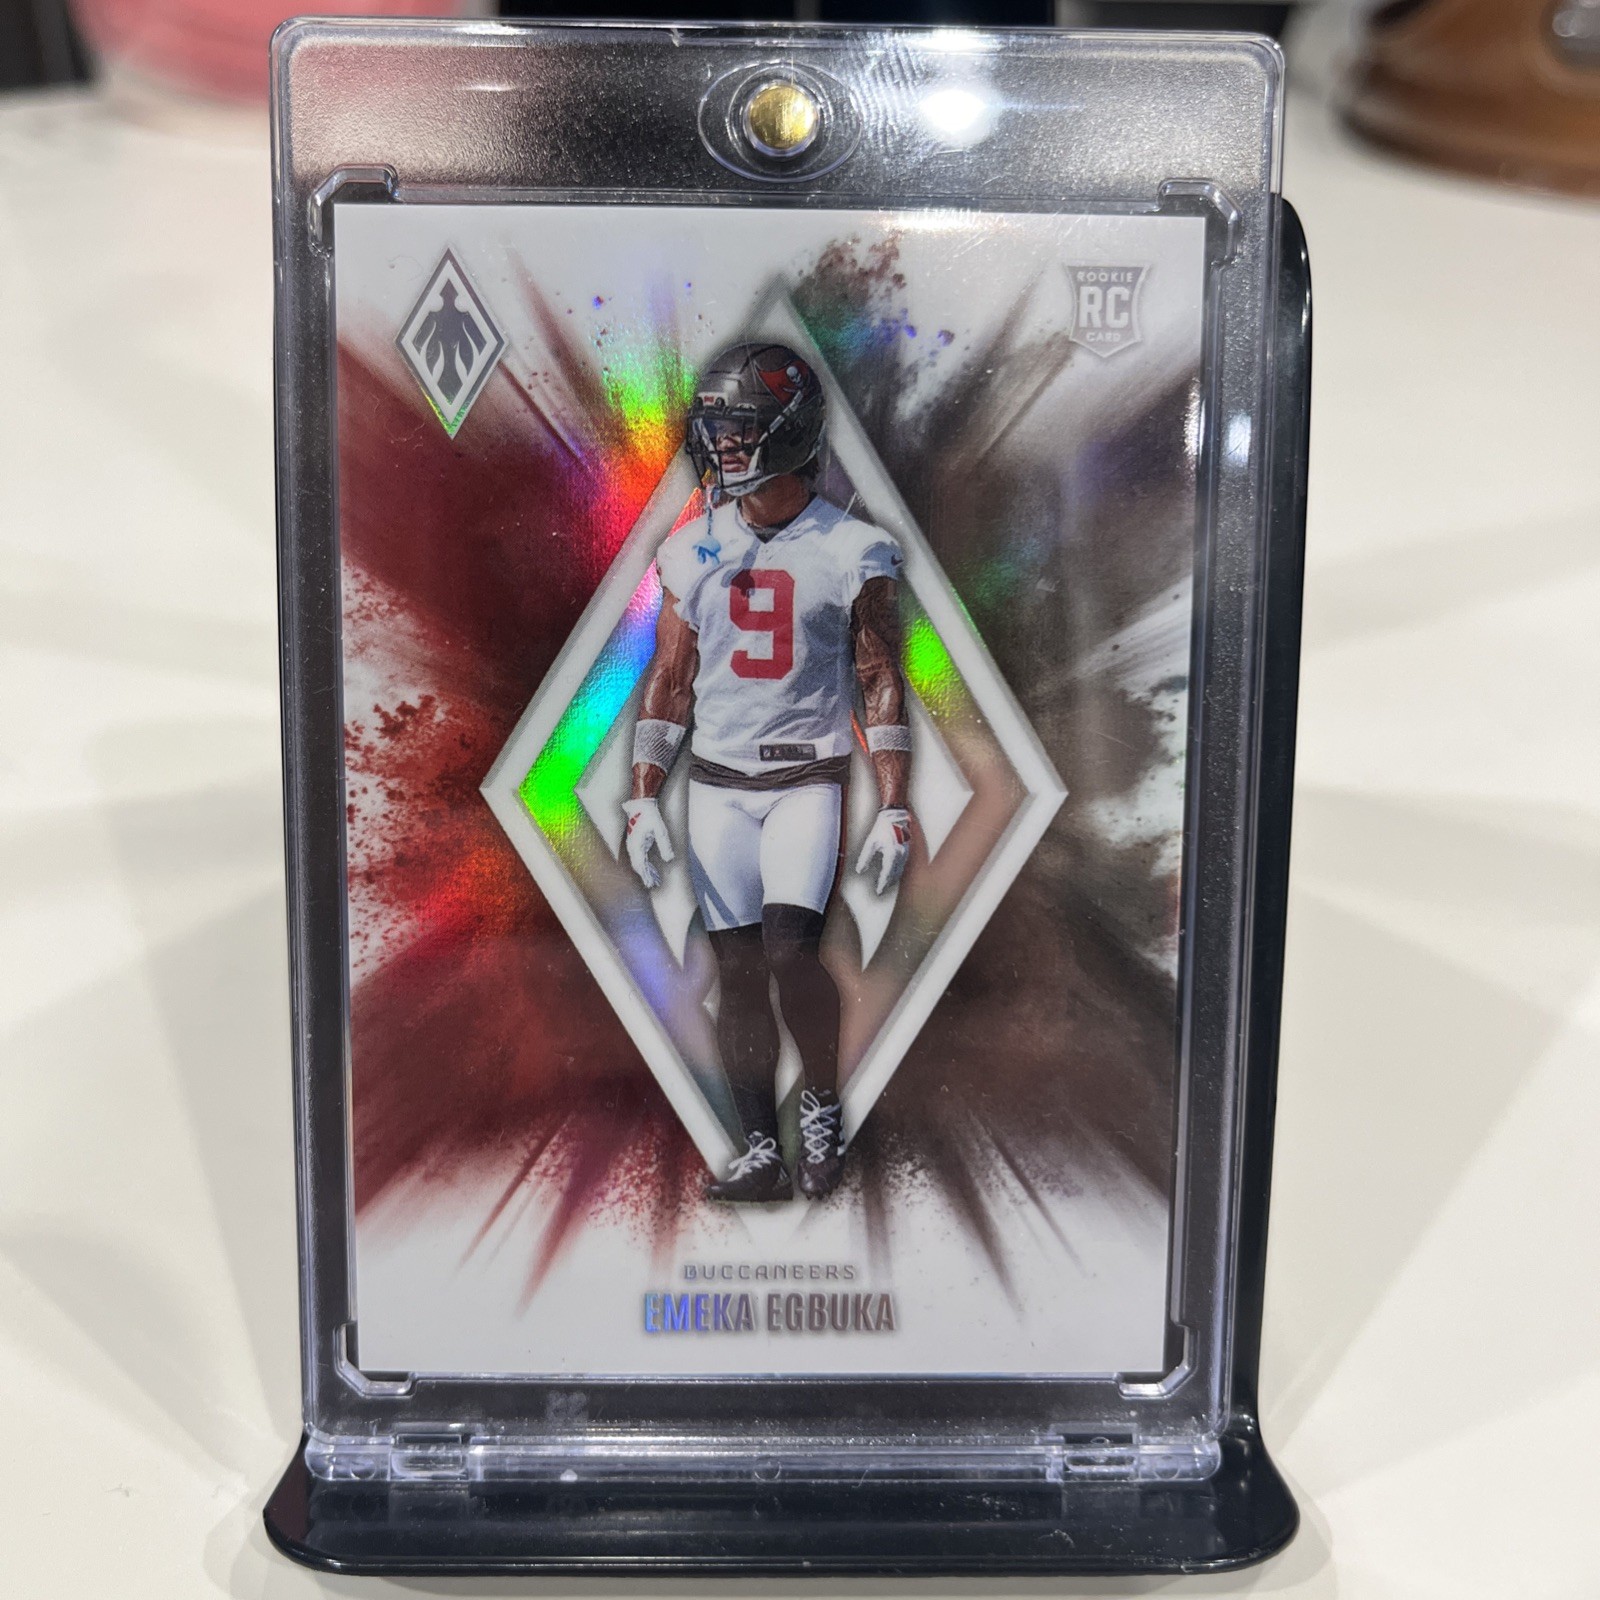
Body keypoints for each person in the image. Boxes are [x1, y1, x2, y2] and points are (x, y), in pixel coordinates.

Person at [623, 341, 913, 1202]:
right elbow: (671, 679)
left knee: (792, 954)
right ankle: (759, 1150)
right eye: (717, 429)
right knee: (739, 973)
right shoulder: (691, 549)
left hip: (805, 781)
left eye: (742, 428)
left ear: (789, 432)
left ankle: (819, 1107)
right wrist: (642, 798)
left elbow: (878, 675)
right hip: (717, 786)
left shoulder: (853, 547)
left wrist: (895, 804)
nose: (724, 445)